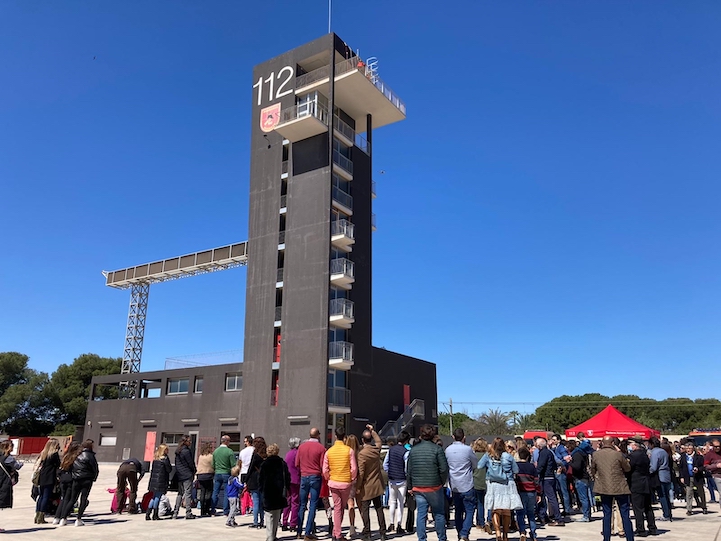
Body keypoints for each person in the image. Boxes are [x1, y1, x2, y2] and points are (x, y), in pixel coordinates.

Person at [407, 424, 448, 541]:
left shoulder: (413, 450)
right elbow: (444, 469)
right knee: (439, 514)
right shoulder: (437, 449)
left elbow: (409, 470)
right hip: (434, 486)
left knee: (421, 514)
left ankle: (422, 539)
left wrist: (410, 486)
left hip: (418, 486)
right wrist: (441, 482)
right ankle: (442, 538)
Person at [590, 436, 634, 541]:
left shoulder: (596, 454)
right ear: (613, 443)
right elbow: (627, 468)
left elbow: (593, 469)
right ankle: (629, 538)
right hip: (620, 486)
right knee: (625, 514)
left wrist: (597, 477)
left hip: (604, 487)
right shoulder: (618, 454)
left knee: (607, 514)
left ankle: (606, 538)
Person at [478, 437, 522, 541]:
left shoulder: (488, 455)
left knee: (495, 509)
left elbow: (479, 466)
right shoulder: (508, 456)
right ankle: (505, 535)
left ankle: (498, 532)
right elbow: (516, 470)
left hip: (493, 484)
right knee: (506, 510)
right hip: (507, 483)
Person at [322, 426, 357, 541]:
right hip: (345, 482)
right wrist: (351, 478)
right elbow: (354, 468)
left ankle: (335, 533)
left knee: (338, 507)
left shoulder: (329, 451)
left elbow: (325, 469)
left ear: (335, 436)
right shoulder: (349, 451)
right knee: (340, 507)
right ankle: (337, 534)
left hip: (333, 482)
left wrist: (328, 478)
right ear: (344, 437)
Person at [444, 428, 478, 541]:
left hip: (454, 485)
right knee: (469, 510)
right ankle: (464, 533)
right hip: (467, 483)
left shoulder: (448, 450)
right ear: (464, 437)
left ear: (453, 437)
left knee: (458, 511)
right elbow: (475, 464)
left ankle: (460, 533)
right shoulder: (468, 450)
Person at [357, 424, 388, 541]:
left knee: (365, 510)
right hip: (377, 484)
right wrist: (373, 431)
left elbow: (361, 472)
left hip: (366, 486)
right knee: (379, 509)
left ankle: (367, 533)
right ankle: (383, 532)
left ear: (362, 440)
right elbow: (379, 441)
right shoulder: (376, 450)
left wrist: (358, 486)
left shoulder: (362, 454)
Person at [296, 427, 326, 540]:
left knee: (302, 504)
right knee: (313, 504)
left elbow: (297, 463)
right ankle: (308, 532)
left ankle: (299, 531)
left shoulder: (302, 447)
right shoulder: (321, 448)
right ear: (318, 435)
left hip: (304, 475)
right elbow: (323, 465)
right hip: (315, 476)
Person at [260, 443, 291, 541]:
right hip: (279, 492)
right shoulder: (282, 463)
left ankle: (270, 536)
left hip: (268, 492)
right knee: (277, 515)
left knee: (269, 515)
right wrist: (287, 488)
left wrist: (261, 490)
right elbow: (287, 477)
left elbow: (260, 479)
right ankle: (273, 535)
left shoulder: (264, 464)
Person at [65, 439, 99, 527]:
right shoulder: (90, 455)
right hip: (87, 479)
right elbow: (95, 468)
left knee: (72, 499)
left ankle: (63, 518)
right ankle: (78, 519)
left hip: (76, 478)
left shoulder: (76, 454)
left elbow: (72, 466)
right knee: (83, 499)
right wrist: (94, 477)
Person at [627, 439, 657, 536]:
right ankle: (652, 528)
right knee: (648, 507)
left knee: (638, 508)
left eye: (631, 444)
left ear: (635, 446)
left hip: (637, 483)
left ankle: (641, 529)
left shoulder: (633, 456)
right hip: (646, 482)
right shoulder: (645, 454)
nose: (630, 446)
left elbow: (628, 469)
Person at [384, 431, 410, 535]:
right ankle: (399, 524)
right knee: (400, 503)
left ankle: (391, 523)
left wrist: (389, 472)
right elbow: (406, 467)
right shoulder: (406, 452)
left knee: (392, 502)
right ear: (406, 441)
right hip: (402, 479)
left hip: (392, 479)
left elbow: (385, 464)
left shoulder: (391, 450)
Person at [535, 438, 564, 527]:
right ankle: (543, 516)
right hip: (551, 477)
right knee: (547, 497)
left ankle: (558, 519)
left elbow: (541, 466)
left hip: (546, 478)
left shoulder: (543, 453)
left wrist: (536, 473)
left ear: (539, 445)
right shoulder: (549, 452)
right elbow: (554, 464)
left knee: (551, 498)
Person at [514, 447, 540, 541]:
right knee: (531, 514)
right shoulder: (532, 466)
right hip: (532, 492)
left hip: (520, 492)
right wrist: (539, 493)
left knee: (520, 514)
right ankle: (533, 534)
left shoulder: (516, 466)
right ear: (528, 456)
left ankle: (522, 532)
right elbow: (536, 481)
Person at [53, 442, 81, 526]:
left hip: (63, 479)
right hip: (70, 479)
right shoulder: (75, 457)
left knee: (62, 498)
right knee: (68, 499)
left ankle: (57, 517)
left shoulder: (65, 456)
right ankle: (63, 517)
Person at [34, 438, 61, 524]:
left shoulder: (44, 453)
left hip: (42, 476)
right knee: (46, 496)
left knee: (41, 496)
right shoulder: (54, 454)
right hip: (49, 477)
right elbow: (58, 465)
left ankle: (37, 516)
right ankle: (41, 517)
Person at [678, 441, 707, 515]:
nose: (688, 450)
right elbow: (681, 468)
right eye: (687, 448)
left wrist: (698, 469)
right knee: (689, 493)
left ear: (693, 449)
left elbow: (703, 467)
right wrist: (681, 477)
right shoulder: (683, 457)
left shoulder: (699, 457)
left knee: (701, 493)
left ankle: (704, 507)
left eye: (690, 448)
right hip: (688, 477)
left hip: (697, 477)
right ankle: (689, 509)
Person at [647, 436, 672, 522]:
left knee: (662, 496)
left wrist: (647, 472)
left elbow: (653, 467)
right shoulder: (663, 451)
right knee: (666, 495)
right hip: (667, 474)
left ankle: (666, 514)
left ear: (651, 444)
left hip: (660, 475)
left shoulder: (654, 452)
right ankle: (669, 513)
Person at [172, 435, 197, 520]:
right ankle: (188, 512)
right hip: (187, 474)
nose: (190, 442)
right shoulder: (186, 451)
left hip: (180, 475)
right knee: (188, 494)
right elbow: (190, 463)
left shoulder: (178, 451)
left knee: (180, 493)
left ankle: (175, 512)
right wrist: (194, 471)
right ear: (185, 442)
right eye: (189, 441)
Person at [0, 440, 22, 533]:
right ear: (8, 448)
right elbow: (17, 466)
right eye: (12, 446)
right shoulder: (9, 458)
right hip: (4, 483)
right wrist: (21, 463)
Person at [146, 443, 172, 521]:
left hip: (154, 481)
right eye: (166, 449)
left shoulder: (156, 459)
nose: (168, 451)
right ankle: (155, 514)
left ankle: (148, 514)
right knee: (158, 497)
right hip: (161, 480)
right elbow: (169, 469)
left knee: (153, 497)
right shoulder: (165, 459)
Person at [212, 435, 236, 516]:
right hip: (226, 473)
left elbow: (213, 464)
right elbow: (233, 464)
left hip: (217, 473)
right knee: (226, 492)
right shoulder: (229, 451)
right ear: (226, 441)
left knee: (215, 491)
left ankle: (212, 509)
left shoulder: (215, 451)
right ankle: (226, 510)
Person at [247, 436, 268, 528]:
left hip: (254, 479)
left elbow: (251, 467)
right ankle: (262, 521)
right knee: (261, 502)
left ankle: (255, 522)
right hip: (263, 479)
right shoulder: (266, 455)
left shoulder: (255, 455)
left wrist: (246, 479)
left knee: (255, 501)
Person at [569, 437, 592, 522]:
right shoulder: (583, 453)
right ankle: (587, 515)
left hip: (580, 478)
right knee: (585, 498)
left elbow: (577, 467)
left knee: (583, 498)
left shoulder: (577, 454)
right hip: (583, 477)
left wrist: (569, 462)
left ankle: (586, 516)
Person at [283, 437, 301, 532]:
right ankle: (293, 523)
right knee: (295, 502)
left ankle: (284, 522)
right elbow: (298, 466)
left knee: (288, 501)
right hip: (296, 479)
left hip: (288, 479)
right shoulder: (297, 453)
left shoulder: (288, 454)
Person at [345, 433, 361, 538]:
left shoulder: (346, 453)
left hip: (349, 480)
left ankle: (351, 527)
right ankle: (366, 526)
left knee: (351, 505)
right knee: (361, 505)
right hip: (359, 480)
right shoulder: (360, 453)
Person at [471, 438, 488, 531]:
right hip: (484, 482)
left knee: (473, 503)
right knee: (481, 503)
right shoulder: (487, 456)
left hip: (474, 481)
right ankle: (482, 522)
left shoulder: (473, 456)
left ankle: (472, 521)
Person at [196, 441, 215, 517]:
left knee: (202, 492)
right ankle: (207, 508)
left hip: (200, 475)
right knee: (209, 492)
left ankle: (202, 510)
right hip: (208, 474)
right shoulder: (211, 456)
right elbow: (213, 465)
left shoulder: (201, 456)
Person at [703, 439, 721, 512]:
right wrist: (716, 466)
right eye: (716, 446)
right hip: (717, 476)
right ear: (712, 446)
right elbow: (705, 466)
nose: (718, 448)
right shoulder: (709, 454)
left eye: (719, 446)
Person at [239, 435, 255, 515]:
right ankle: (251, 506)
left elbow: (240, 462)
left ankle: (245, 507)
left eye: (245, 441)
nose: (244, 443)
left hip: (244, 472)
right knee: (252, 491)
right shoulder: (254, 450)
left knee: (245, 491)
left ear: (248, 442)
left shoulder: (242, 452)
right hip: (251, 472)